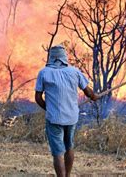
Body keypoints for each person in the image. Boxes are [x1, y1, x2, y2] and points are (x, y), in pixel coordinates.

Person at [35, 45, 98, 177]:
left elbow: (38, 97)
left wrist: (49, 108)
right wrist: (94, 96)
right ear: (65, 57)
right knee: (69, 147)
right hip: (71, 117)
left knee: (58, 152)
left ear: (50, 57)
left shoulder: (44, 72)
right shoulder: (74, 72)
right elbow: (88, 92)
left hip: (54, 118)